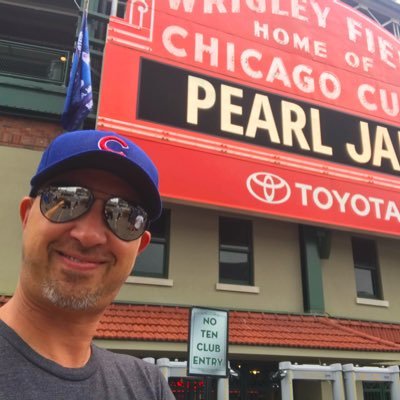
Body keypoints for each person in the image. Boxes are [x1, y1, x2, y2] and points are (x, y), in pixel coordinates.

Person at [0, 130, 176, 399]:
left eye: (125, 215)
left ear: (139, 247)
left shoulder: (148, 387)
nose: (88, 236)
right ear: (26, 217)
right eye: (67, 200)